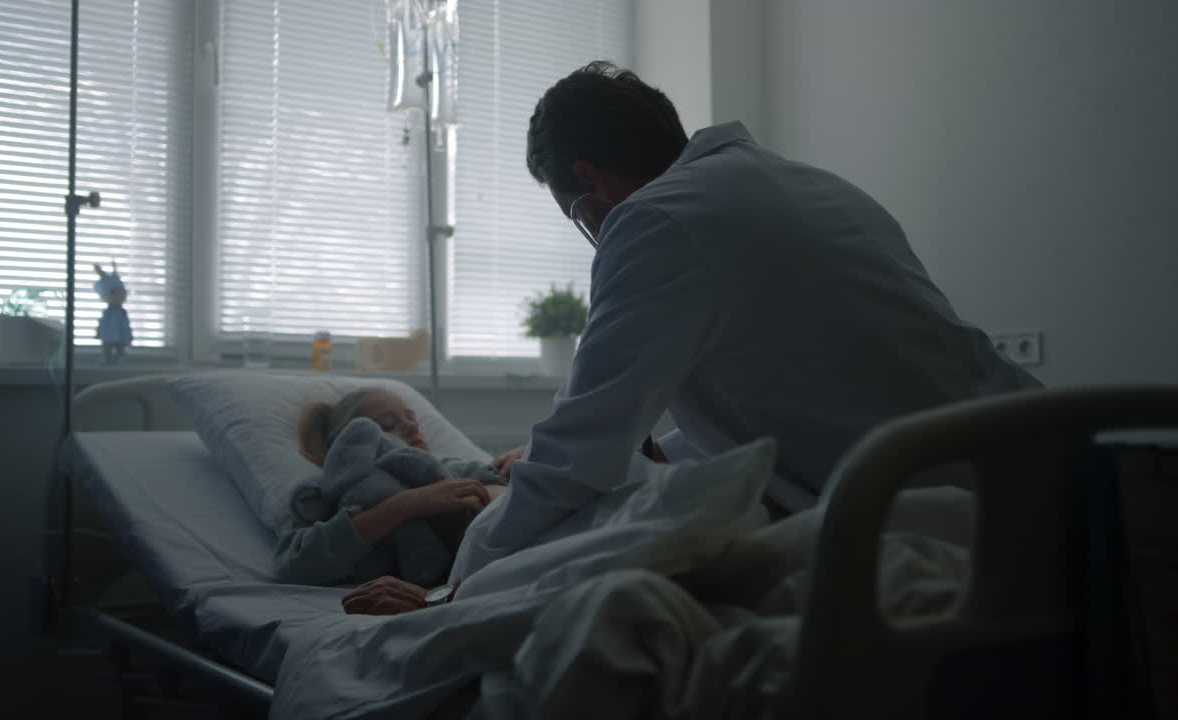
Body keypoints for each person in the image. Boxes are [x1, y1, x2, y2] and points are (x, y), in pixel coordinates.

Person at [345, 61, 1041, 614]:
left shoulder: (654, 221)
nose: (591, 233)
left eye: (576, 217)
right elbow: (786, 403)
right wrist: (652, 447)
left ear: (591, 182)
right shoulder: (809, 187)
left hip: (937, 518)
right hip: (1047, 470)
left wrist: (456, 584)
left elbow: (576, 457)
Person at [275, 388, 507, 590]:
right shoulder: (328, 494)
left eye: (411, 418)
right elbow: (294, 565)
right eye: (388, 425)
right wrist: (407, 504)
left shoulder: (453, 467)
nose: (410, 426)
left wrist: (523, 460)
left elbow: (509, 494)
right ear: (351, 445)